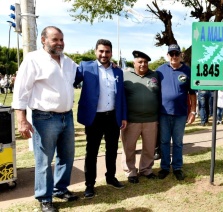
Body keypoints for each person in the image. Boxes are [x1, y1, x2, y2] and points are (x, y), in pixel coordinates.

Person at [12, 26, 78, 212]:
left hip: (67, 116)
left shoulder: (68, 61)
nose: (59, 43)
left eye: (61, 39)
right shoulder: (33, 59)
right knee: (44, 160)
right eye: (55, 39)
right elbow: (20, 91)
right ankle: (44, 197)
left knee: (67, 156)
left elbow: (83, 73)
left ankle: (60, 189)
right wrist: (21, 119)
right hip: (44, 118)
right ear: (43, 40)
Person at [74, 39, 127, 199]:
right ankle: (89, 184)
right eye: (101, 51)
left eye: (107, 51)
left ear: (111, 53)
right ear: (96, 51)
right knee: (92, 152)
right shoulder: (85, 66)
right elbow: (70, 81)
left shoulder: (118, 71)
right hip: (94, 118)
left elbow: (121, 96)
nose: (104, 54)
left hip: (112, 117)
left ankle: (110, 177)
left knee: (112, 150)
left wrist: (123, 116)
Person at [156, 44, 196, 181]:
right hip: (163, 113)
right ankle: (165, 167)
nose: (174, 56)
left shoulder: (188, 71)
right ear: (167, 56)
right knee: (164, 141)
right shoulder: (160, 70)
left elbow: (192, 93)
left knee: (178, 142)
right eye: (171, 54)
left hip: (180, 113)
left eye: (176, 54)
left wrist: (193, 111)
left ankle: (177, 167)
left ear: (181, 55)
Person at [120, 50, 160, 183]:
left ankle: (146, 170)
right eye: (140, 62)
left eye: (145, 62)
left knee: (149, 148)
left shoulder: (155, 75)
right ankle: (130, 171)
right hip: (131, 120)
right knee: (129, 148)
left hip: (151, 120)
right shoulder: (125, 75)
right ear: (134, 62)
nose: (143, 64)